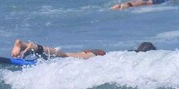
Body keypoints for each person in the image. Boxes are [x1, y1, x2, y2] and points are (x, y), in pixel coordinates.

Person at [11, 39, 156, 59]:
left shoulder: (131, 52)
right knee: (65, 56)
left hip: (98, 52)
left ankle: (27, 47)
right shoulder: (137, 58)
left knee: (65, 55)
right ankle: (35, 47)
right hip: (98, 56)